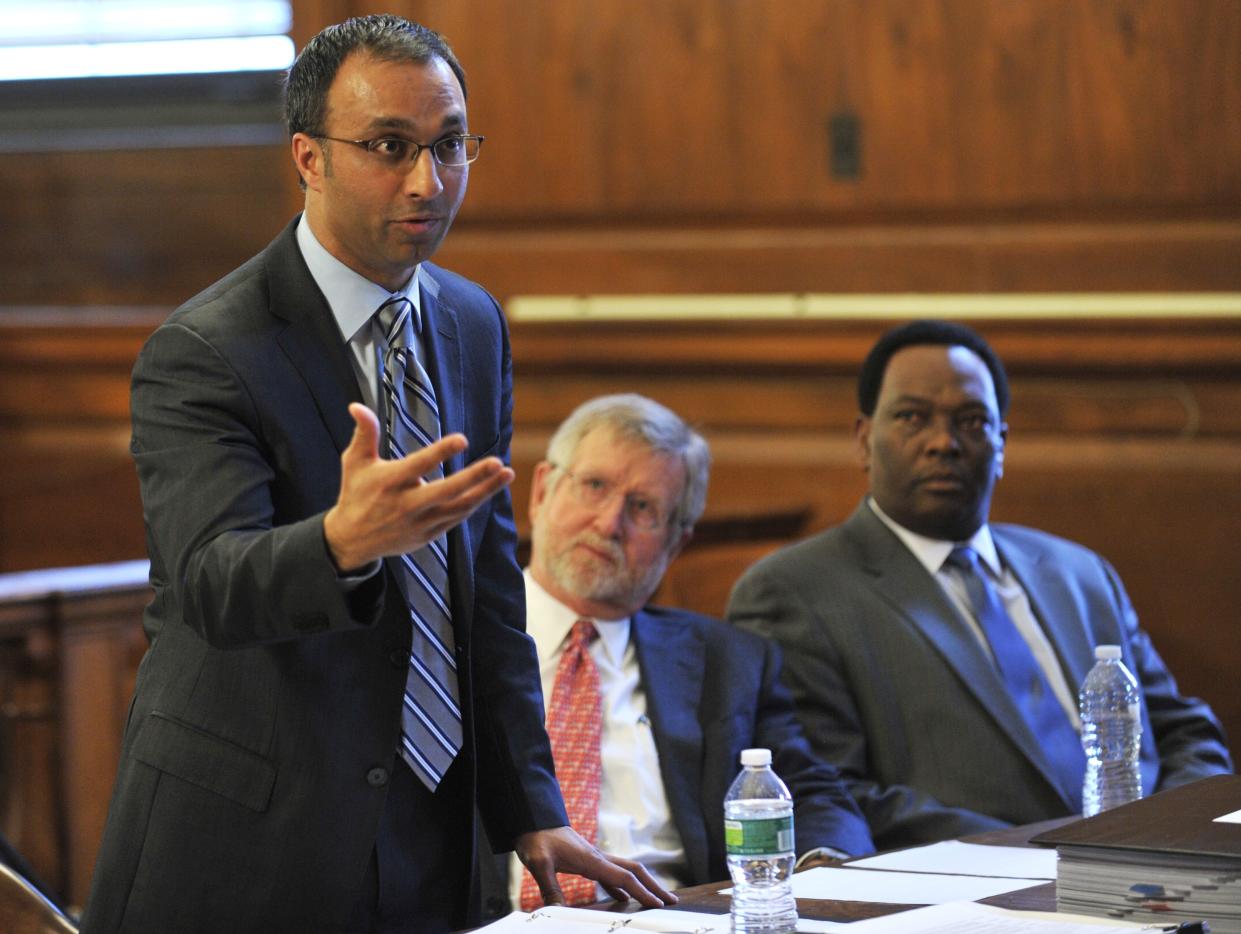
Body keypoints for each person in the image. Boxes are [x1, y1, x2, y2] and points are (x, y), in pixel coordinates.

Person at [82, 15, 670, 933]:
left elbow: (483, 599)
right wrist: (340, 544)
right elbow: (207, 587)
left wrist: (532, 810)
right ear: (309, 158)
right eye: (389, 147)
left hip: (423, 830)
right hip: (248, 840)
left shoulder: (472, 324)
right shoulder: (204, 348)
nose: (427, 181)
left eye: (448, 146)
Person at [727, 319, 1233, 851]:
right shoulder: (794, 592)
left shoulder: (1080, 573)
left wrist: (1170, 833)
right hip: (983, 886)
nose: (943, 443)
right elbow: (837, 794)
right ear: (863, 441)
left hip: (1160, 871)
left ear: (1002, 444)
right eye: (912, 418)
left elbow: (1185, 732)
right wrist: (1062, 850)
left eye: (971, 421)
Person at [479, 394, 875, 919]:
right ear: (543, 490)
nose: (609, 522)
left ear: (676, 542)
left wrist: (821, 865)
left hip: (671, 917)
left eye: (643, 508)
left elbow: (810, 792)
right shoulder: (461, 638)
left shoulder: (728, 662)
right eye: (594, 486)